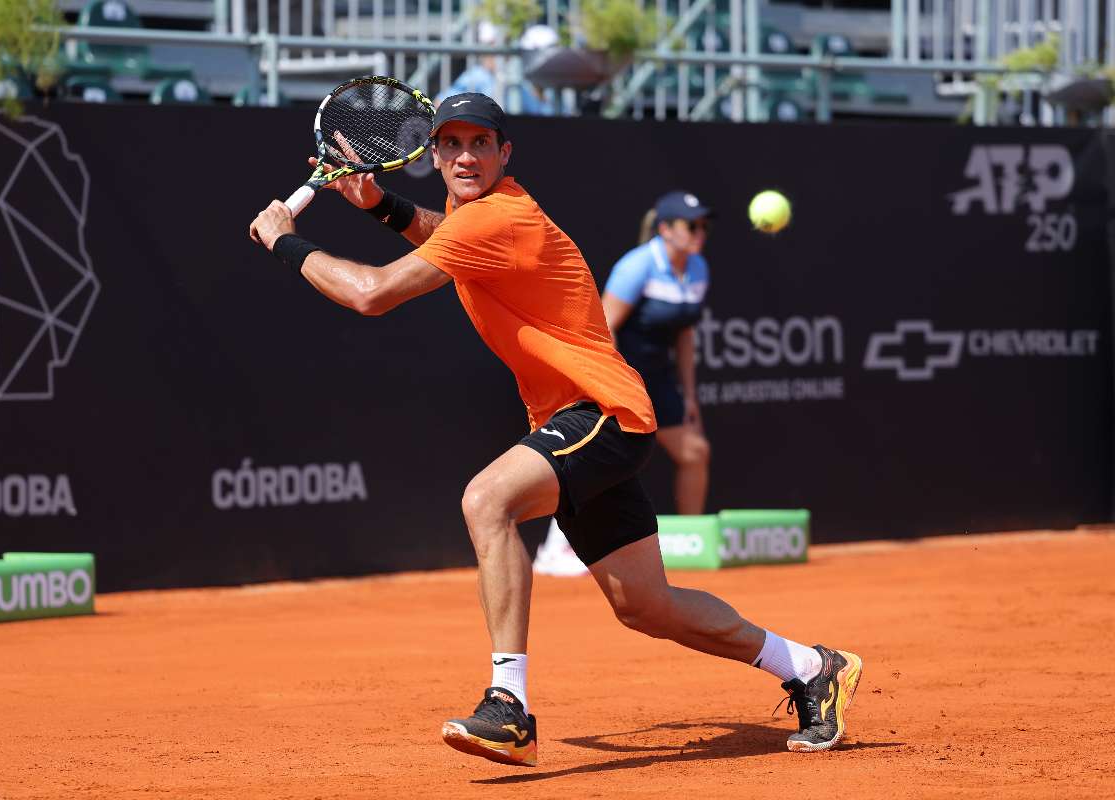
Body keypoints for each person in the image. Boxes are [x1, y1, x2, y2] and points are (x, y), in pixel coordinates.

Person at [248, 93, 863, 767]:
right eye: (451, 144)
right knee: (647, 607)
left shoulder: (500, 215)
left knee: (488, 500)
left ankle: (508, 706)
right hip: (585, 416)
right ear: (434, 155)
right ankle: (812, 668)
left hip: (600, 411)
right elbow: (441, 232)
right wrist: (380, 206)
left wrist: (285, 240)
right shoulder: (474, 215)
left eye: (480, 143)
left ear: (504, 153)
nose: (465, 156)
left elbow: (371, 293)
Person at [601, 192, 713, 514]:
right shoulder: (636, 266)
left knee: (695, 452)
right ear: (665, 229)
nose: (700, 233)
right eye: (691, 226)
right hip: (622, 379)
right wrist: (618, 388)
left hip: (658, 378)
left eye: (703, 226)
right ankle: (566, 537)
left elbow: (685, 334)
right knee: (606, 464)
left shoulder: (699, 268)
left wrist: (689, 395)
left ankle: (692, 536)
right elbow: (605, 328)